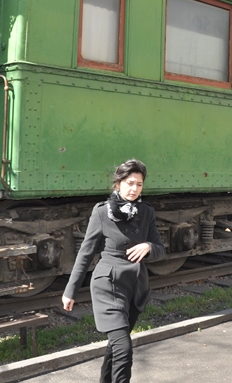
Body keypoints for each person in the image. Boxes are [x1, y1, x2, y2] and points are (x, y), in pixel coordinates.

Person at [62, 159, 165, 383]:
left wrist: (149, 247)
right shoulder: (101, 212)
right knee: (123, 347)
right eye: (129, 183)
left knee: (117, 345)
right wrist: (70, 291)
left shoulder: (146, 212)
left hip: (135, 287)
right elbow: (85, 253)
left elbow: (161, 250)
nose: (134, 189)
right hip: (108, 285)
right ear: (118, 183)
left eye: (139, 184)